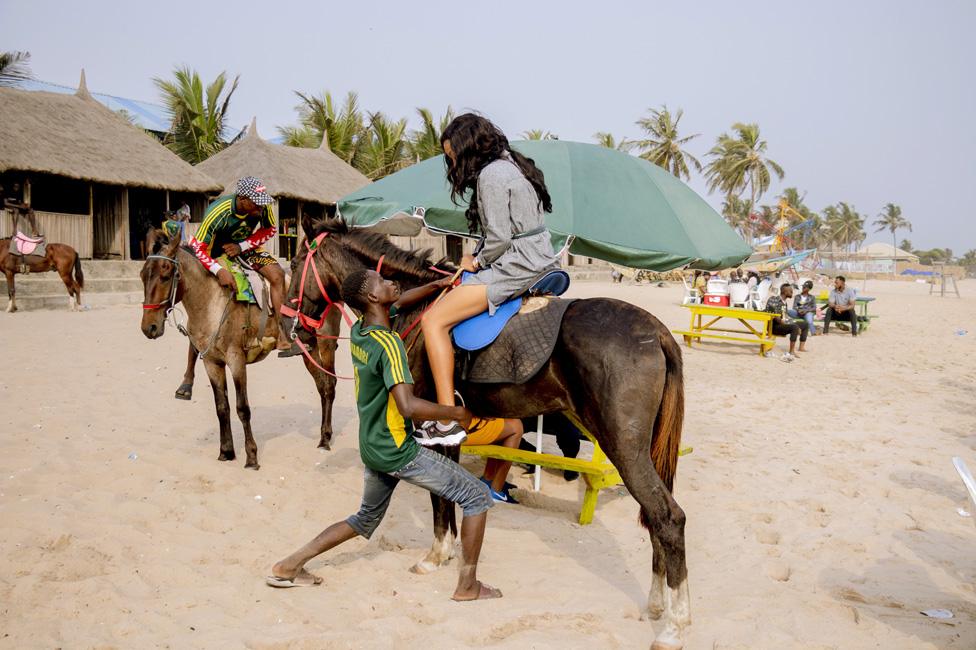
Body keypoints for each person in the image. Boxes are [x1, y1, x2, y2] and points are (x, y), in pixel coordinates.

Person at [266, 268, 501, 601]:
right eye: (383, 283)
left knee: (364, 519)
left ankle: (289, 566)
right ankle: (467, 586)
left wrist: (436, 284)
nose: (392, 283)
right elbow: (407, 405)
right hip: (397, 450)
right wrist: (455, 412)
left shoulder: (362, 329)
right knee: (477, 498)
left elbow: (400, 300)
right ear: (373, 298)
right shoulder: (390, 344)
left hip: (371, 445)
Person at [418, 114, 560, 442]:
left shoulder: (491, 175)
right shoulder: (512, 163)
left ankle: (447, 418)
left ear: (468, 148)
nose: (452, 162)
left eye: (453, 155)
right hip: (538, 258)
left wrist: (476, 261)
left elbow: (499, 239)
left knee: (434, 321)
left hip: (517, 266)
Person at [188, 177, 291, 351]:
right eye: (256, 203)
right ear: (242, 199)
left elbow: (270, 229)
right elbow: (198, 248)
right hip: (216, 253)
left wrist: (242, 246)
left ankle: (282, 331)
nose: (261, 207)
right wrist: (218, 270)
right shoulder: (217, 212)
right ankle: (192, 361)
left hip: (247, 248)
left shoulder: (262, 206)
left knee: (278, 275)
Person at [462, 418, 524, 503]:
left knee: (499, 420)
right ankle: (496, 491)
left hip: (455, 428)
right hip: (460, 430)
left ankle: (488, 480)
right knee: (517, 426)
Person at [765, 283, 809, 361]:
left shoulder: (784, 302)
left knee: (805, 324)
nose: (792, 292)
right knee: (794, 327)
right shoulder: (774, 300)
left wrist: (794, 322)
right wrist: (794, 324)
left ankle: (801, 347)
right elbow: (777, 319)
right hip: (774, 327)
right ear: (785, 292)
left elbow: (785, 317)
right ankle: (791, 351)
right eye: (791, 291)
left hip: (782, 324)